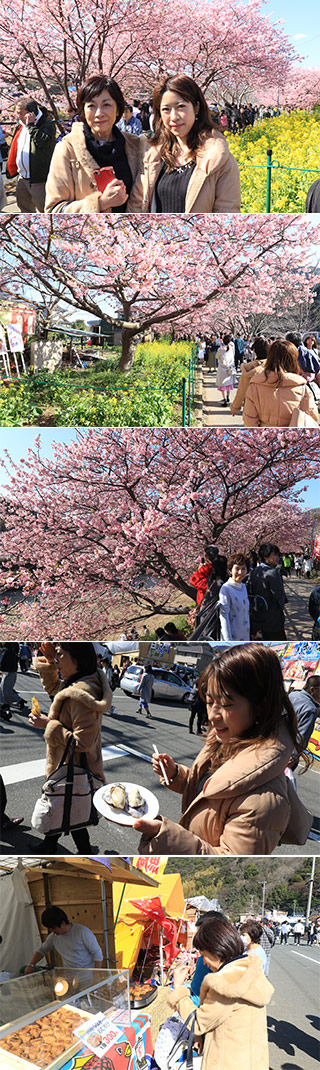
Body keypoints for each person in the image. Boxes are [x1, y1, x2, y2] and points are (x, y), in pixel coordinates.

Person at [133, 644, 312, 855]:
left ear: (261, 705)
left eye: (226, 704)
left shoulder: (265, 801)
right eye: (209, 701)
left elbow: (229, 858)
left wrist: (167, 837)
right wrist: (176, 774)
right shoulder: (228, 743)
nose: (212, 715)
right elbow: (213, 791)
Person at [29, 642, 112, 853]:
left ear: (77, 660)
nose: (57, 659)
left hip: (75, 765)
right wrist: (49, 662)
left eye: (61, 655)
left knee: (65, 804)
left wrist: (49, 725)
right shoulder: (80, 682)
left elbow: (83, 743)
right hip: (72, 765)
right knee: (68, 807)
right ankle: (58, 846)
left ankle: (68, 849)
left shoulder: (82, 695)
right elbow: (57, 692)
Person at [166, 915, 273, 1070]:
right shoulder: (248, 970)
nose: (203, 962)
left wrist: (178, 988)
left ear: (216, 950)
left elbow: (197, 1023)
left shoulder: (225, 984)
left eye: (203, 955)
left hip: (227, 1062)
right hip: (251, 1060)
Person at [129, 74, 241, 213]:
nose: (174, 117)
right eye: (166, 109)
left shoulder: (218, 159)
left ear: (196, 108)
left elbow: (227, 211)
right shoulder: (152, 154)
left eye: (181, 106)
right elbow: (137, 205)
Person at [45, 74, 145, 214]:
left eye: (106, 105)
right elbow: (53, 210)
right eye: (91, 106)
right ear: (83, 111)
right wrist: (100, 203)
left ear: (118, 110)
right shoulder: (67, 149)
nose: (99, 113)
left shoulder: (135, 145)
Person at [243, 339, 318, 427]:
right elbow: (311, 417)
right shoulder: (302, 388)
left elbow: (250, 420)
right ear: (293, 360)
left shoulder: (255, 385)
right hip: (292, 434)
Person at [24, 906, 103, 973]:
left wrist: (96, 974)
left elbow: (97, 953)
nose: (52, 931)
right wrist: (31, 965)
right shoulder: (53, 937)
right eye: (50, 928)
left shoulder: (82, 932)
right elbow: (41, 950)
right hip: (70, 976)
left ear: (63, 923)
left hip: (88, 974)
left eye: (53, 928)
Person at [11, 97, 55, 212]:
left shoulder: (47, 124)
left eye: (21, 113)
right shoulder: (20, 125)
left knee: (44, 209)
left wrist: (31, 126)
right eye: (17, 113)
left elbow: (43, 142)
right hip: (22, 177)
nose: (18, 116)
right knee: (24, 209)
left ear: (31, 113)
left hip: (38, 179)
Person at [247, 543, 287, 640]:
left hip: (258, 615)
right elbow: (279, 596)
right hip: (273, 616)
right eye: (275, 555)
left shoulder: (254, 571)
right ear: (266, 557)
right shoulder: (273, 573)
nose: (278, 557)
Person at [230, 337, 268, 416]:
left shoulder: (248, 368)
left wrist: (235, 407)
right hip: (269, 407)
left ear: (254, 350)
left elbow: (242, 391)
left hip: (251, 406)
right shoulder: (274, 367)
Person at [288, 675, 320, 769]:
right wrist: (291, 761)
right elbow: (301, 739)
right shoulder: (310, 709)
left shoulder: (292, 695)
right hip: (287, 754)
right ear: (312, 689)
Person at [218, 552, 250, 641]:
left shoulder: (243, 586)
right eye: (237, 568)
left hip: (245, 634)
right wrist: (228, 640)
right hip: (232, 636)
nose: (240, 572)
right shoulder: (226, 589)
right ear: (230, 570)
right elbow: (224, 616)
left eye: (243, 568)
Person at [0, 643, 28, 721]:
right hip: (9, 671)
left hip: (8, 672)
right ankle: (5, 705)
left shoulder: (7, 651)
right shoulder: (10, 651)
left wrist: (1, 670)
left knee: (6, 690)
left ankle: (19, 700)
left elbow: (3, 662)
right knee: (3, 689)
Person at [216, 333, 236, 405]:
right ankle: (228, 397)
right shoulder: (231, 348)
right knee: (228, 384)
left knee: (223, 385)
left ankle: (224, 399)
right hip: (229, 368)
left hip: (222, 369)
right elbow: (233, 357)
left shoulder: (220, 349)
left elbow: (217, 357)